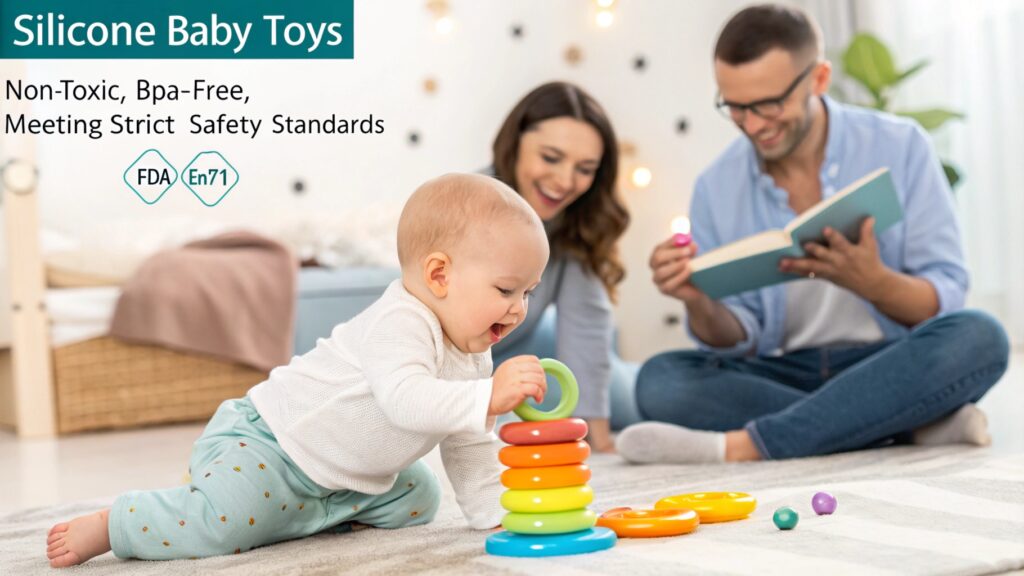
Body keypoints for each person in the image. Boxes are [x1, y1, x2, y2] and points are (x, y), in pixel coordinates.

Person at [45, 174, 550, 567]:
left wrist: (494, 519)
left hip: (346, 478)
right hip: (272, 447)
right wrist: (486, 398)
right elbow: (406, 400)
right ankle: (118, 524)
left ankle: (304, 516)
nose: (518, 309)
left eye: (527, 293)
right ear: (439, 275)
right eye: (506, 291)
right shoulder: (401, 321)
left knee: (420, 497)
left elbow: (466, 440)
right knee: (223, 525)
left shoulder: (472, 346)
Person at [617, 4, 1009, 464]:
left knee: (980, 336)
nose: (753, 124)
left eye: (768, 104)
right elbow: (736, 337)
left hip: (887, 362)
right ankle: (906, 425)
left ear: (819, 79)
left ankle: (748, 445)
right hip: (785, 372)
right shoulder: (716, 186)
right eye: (735, 107)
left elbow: (941, 299)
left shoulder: (901, 145)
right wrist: (696, 298)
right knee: (661, 380)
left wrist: (873, 282)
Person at [489, 82, 633, 452]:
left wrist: (598, 440)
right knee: (497, 433)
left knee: (636, 399)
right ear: (515, 143)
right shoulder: (471, 206)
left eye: (585, 169)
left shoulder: (574, 221)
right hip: (461, 370)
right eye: (551, 158)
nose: (565, 182)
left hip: (531, 354)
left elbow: (587, 323)